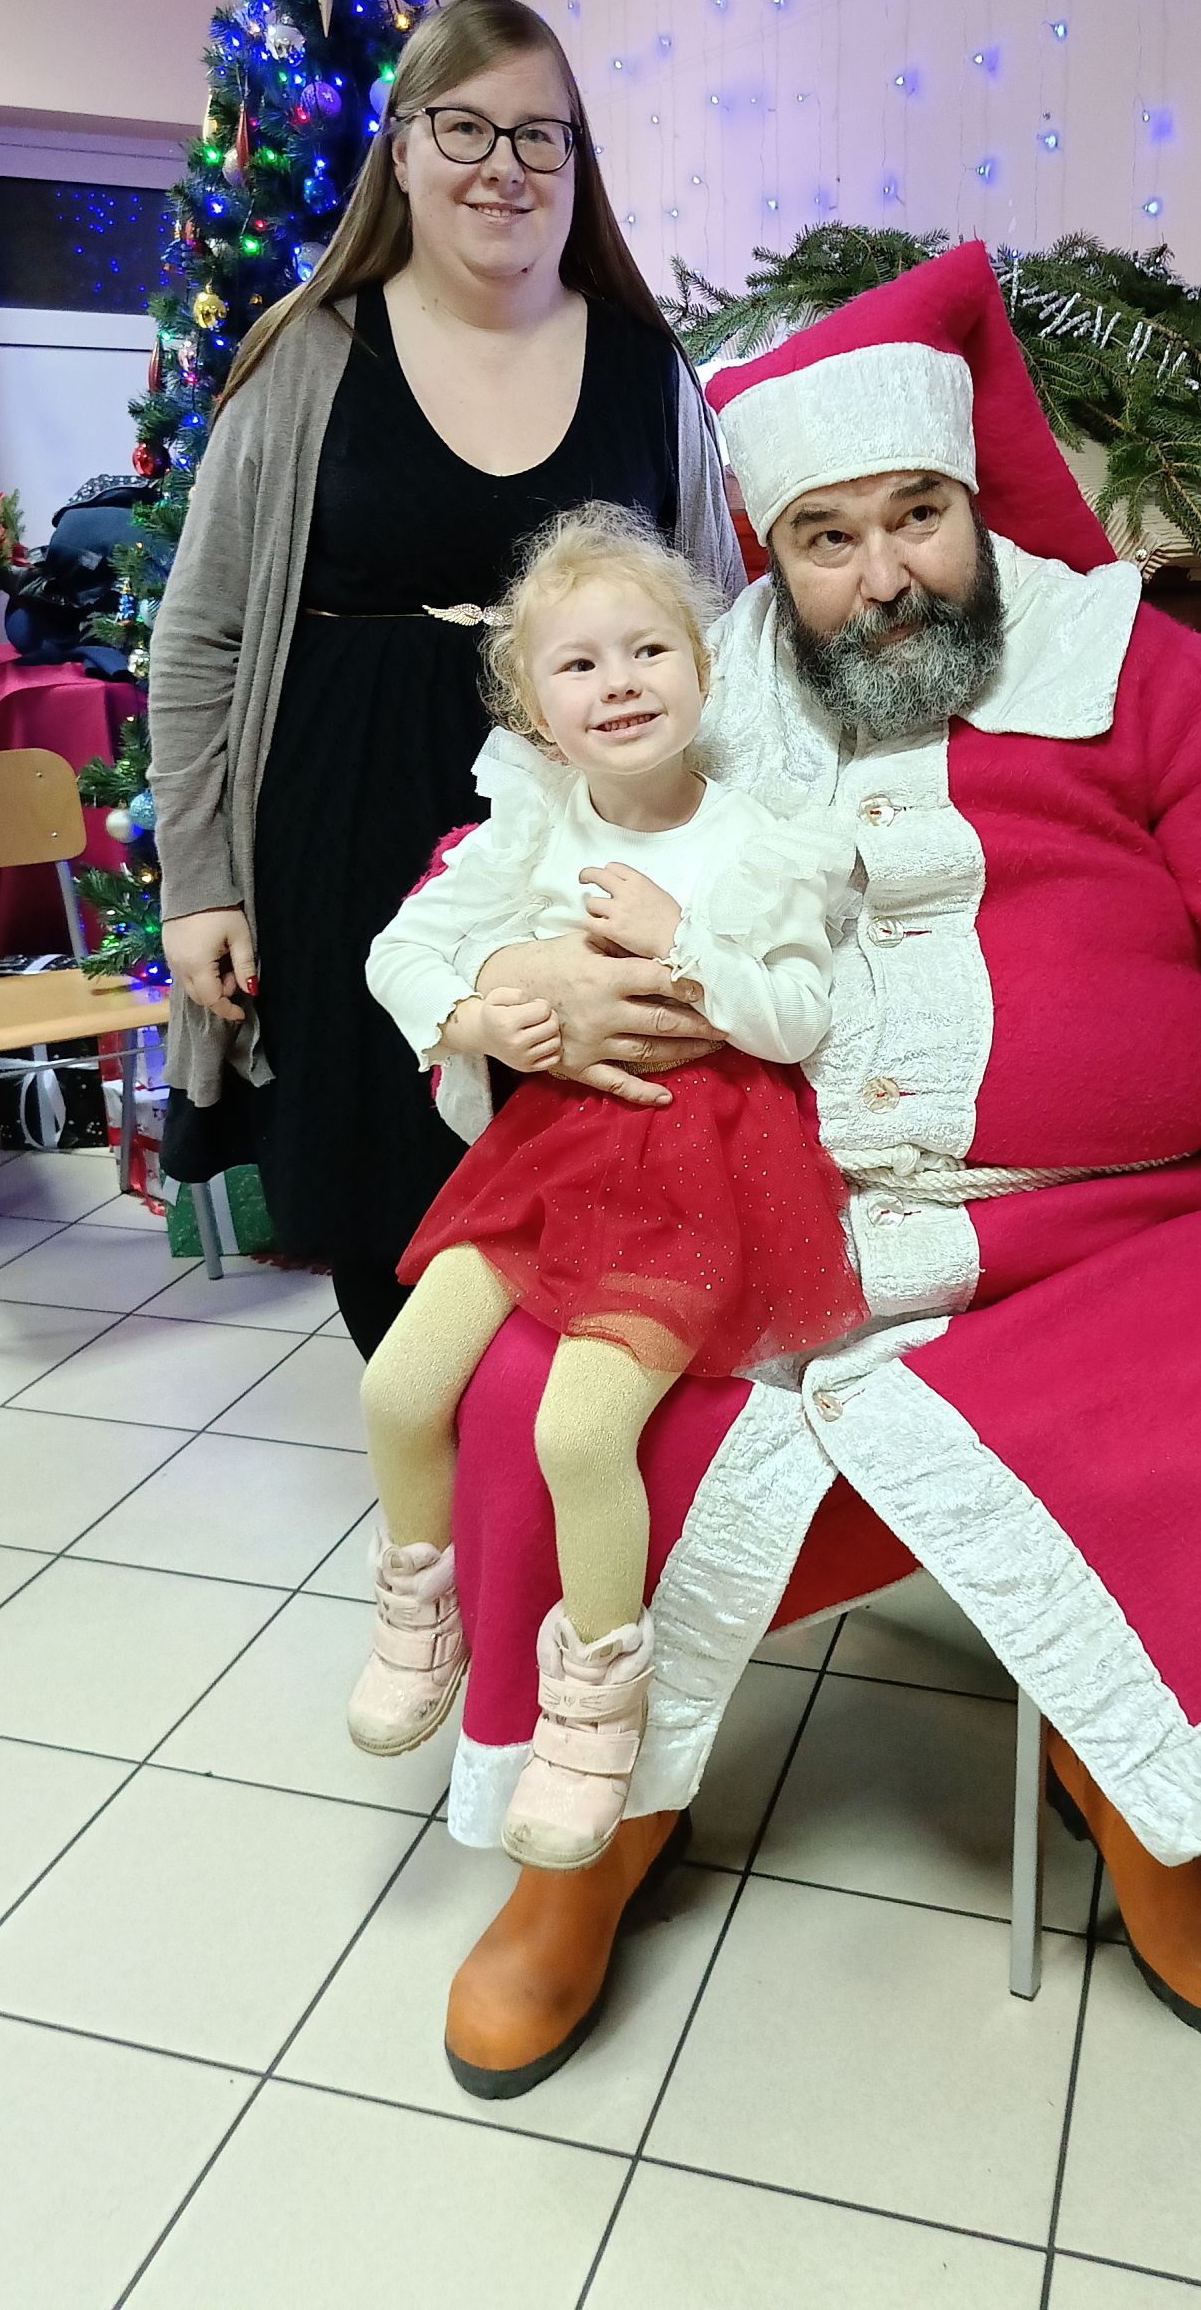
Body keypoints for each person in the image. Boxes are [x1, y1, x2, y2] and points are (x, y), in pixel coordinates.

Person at [418, 240, 1201, 2102]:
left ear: (976, 503)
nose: (884, 574)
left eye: (919, 516)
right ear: (772, 551)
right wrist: (519, 988)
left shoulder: (1140, 672)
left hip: (1102, 1239)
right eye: (829, 538)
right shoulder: (688, 685)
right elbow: (487, 862)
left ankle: (1147, 1783)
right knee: (515, 1408)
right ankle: (587, 1830)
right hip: (738, 1229)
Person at [146, 0, 742, 1358]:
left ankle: (555, 1466)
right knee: (385, 1192)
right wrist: (201, 884)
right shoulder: (306, 356)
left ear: (577, 162)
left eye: (541, 135)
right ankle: (434, 1465)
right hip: (342, 832)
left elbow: (717, 624)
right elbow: (201, 635)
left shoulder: (646, 365)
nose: (503, 166)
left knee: (590, 1157)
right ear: (402, 149)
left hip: (584, 835)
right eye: (464, 127)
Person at [349, 508, 862, 1878]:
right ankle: (423, 1609)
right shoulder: (527, 833)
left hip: (701, 1170)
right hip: (555, 1156)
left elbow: (799, 1015)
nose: (620, 683)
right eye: (578, 665)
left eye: (648, 650)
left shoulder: (762, 842)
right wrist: (474, 1014)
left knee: (581, 1433)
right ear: (537, 710)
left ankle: (593, 1701)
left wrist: (682, 945)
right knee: (398, 1388)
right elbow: (400, 953)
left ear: (702, 669)